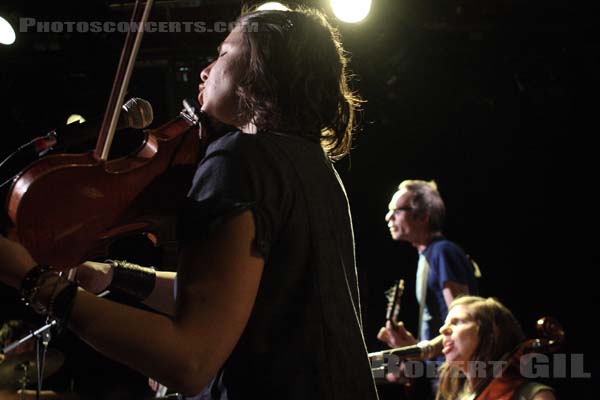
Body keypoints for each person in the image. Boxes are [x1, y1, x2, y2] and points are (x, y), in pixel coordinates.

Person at [0, 7, 378, 400]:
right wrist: (114, 276)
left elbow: (189, 360)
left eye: (224, 54)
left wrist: (35, 281)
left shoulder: (238, 158)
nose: (205, 70)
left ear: (260, 66)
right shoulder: (313, 164)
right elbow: (224, 297)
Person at [378, 179, 479, 349]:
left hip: (452, 372)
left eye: (396, 210)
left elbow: (463, 324)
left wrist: (424, 351)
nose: (388, 217)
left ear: (423, 217)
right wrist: (411, 346)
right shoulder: (427, 255)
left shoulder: (442, 252)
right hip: (438, 370)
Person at [437, 296, 556, 400]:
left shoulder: (534, 396)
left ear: (491, 334)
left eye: (457, 322)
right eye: (445, 323)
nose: (442, 330)